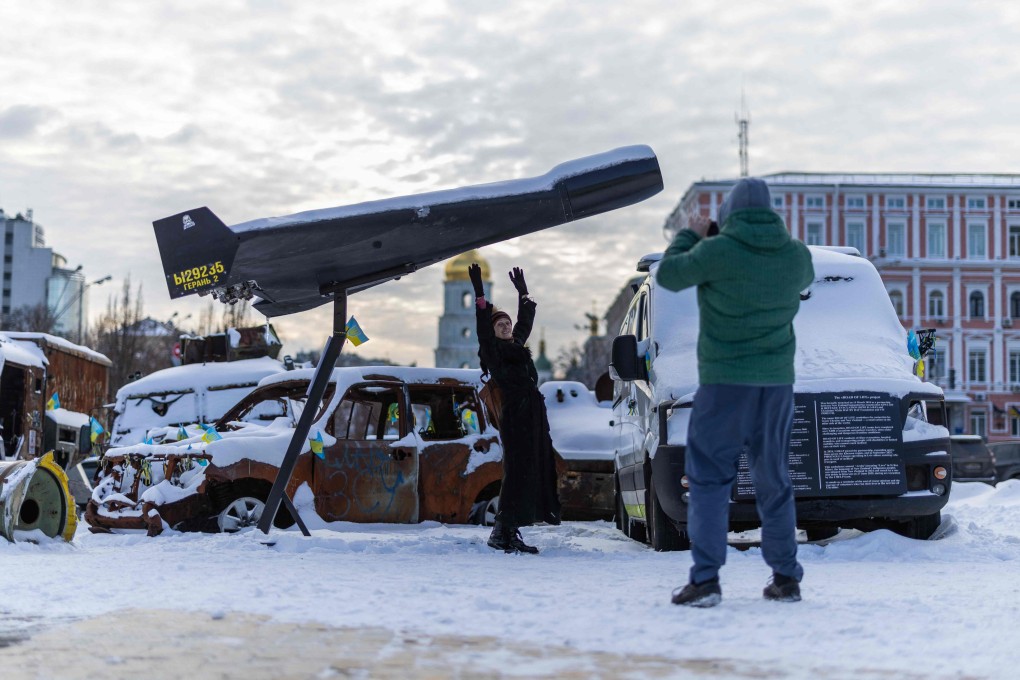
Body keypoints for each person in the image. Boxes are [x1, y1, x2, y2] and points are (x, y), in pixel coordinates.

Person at [655, 177, 815, 607]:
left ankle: (706, 581)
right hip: (777, 384)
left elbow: (668, 275)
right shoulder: (796, 255)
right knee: (775, 481)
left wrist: (691, 234)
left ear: (728, 216)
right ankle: (785, 578)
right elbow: (805, 277)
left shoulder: (717, 250)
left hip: (725, 383)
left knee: (709, 479)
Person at [468, 263, 561, 553]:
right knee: (517, 472)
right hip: (516, 417)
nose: (506, 326)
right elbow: (484, 331)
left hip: (532, 416)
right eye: (500, 325)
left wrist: (523, 293)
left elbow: (524, 324)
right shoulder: (493, 353)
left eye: (506, 323)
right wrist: (481, 294)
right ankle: (502, 531)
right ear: (493, 332)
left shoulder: (517, 345)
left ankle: (508, 531)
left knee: (530, 471)